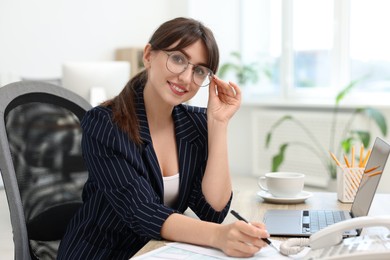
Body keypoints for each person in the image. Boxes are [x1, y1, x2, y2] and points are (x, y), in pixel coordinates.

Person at [57, 17, 270, 259]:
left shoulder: (196, 124)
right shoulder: (104, 124)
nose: (186, 78)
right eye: (178, 59)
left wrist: (218, 124)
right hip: (101, 253)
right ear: (148, 55)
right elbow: (142, 212)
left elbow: (213, 211)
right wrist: (218, 236)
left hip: (158, 251)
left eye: (199, 70)